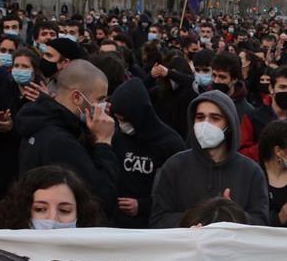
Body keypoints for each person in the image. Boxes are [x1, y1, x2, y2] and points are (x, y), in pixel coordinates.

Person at [149, 89, 268, 227]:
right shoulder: (174, 166)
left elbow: (261, 223)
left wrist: (232, 214)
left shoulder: (251, 171)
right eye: (200, 117)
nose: (205, 124)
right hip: (188, 246)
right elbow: (158, 219)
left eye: (215, 118)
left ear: (229, 125)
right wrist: (193, 220)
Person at [16, 60, 120, 217]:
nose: (103, 105)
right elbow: (102, 197)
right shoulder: (61, 142)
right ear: (77, 97)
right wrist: (103, 142)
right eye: (100, 99)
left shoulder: (41, 121)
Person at [108, 77, 186, 228]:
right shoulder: (118, 137)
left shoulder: (171, 143)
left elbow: (177, 192)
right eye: (118, 120)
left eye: (124, 120)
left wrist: (143, 206)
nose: (122, 125)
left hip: (153, 226)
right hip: (117, 224)